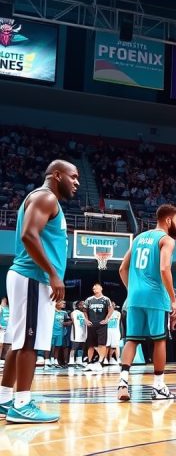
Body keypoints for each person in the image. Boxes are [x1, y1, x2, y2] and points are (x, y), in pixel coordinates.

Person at [0, 159, 79, 423]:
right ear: (57, 175)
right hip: (33, 277)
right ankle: (22, 404)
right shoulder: (46, 197)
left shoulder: (43, 199)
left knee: (20, 340)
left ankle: (4, 399)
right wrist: (53, 274)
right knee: (29, 342)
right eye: (73, 177)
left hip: (28, 277)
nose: (76, 182)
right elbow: (29, 234)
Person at [117, 204, 176, 401]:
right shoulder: (166, 240)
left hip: (134, 297)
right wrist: (173, 300)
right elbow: (164, 268)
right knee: (159, 340)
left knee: (132, 340)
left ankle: (122, 383)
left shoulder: (138, 239)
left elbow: (122, 269)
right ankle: (159, 387)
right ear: (168, 220)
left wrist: (133, 290)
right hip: (155, 296)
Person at [84, 283, 114, 372]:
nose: (94, 289)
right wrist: (86, 320)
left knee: (102, 344)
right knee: (90, 345)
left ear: (101, 288)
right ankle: (89, 363)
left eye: (96, 288)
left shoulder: (106, 299)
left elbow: (111, 309)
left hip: (102, 325)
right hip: (91, 324)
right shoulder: (89, 299)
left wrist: (106, 319)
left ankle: (100, 362)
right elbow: (84, 310)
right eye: (93, 288)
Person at [69, 301, 88, 367]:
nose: (82, 306)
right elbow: (72, 321)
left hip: (83, 332)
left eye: (83, 304)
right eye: (81, 304)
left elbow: (86, 321)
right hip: (76, 332)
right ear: (77, 306)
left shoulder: (83, 313)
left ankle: (79, 360)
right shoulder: (74, 312)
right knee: (74, 347)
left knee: (81, 347)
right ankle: (71, 361)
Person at [0, 297, 10, 368]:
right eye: (4, 300)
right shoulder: (0, 308)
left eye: (6, 300)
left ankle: (5, 358)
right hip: (2, 328)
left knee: (8, 344)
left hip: (8, 328)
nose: (5, 301)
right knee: (1, 343)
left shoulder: (9, 308)